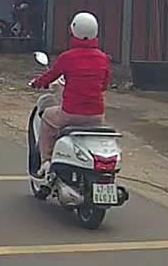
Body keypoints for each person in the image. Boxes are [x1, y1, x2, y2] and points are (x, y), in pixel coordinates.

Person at [31, 11, 111, 175]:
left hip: (71, 113)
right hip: (97, 116)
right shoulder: (103, 58)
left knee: (47, 118)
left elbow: (50, 76)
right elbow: (104, 85)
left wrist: (37, 83)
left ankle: (46, 161)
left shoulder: (67, 57)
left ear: (74, 30)